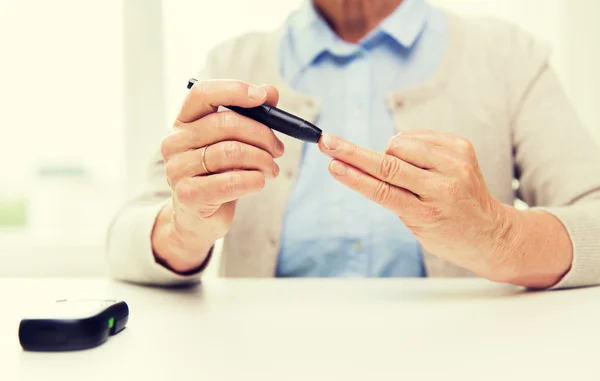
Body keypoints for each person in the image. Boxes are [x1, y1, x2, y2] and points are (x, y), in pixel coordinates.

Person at [106, 0, 600, 289]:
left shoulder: (510, 58)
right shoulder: (233, 62)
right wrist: (182, 227)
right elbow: (125, 238)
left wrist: (500, 236)